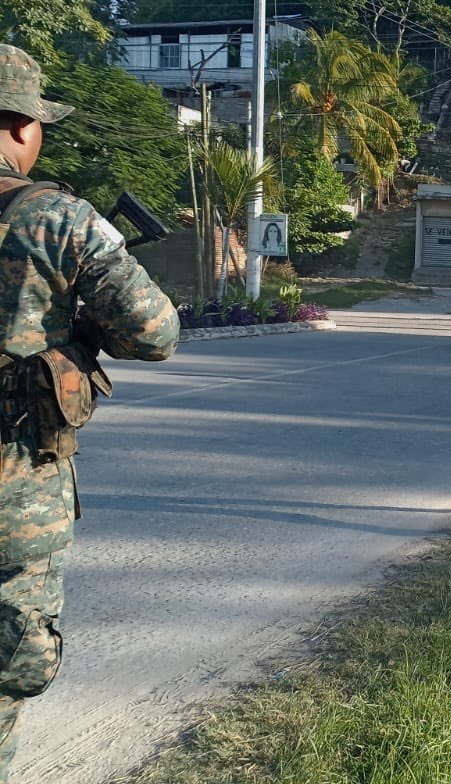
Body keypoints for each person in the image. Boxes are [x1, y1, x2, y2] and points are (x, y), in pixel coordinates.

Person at [0, 44, 180, 775]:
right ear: (21, 126)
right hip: (13, 481)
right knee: (10, 658)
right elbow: (157, 332)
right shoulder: (59, 219)